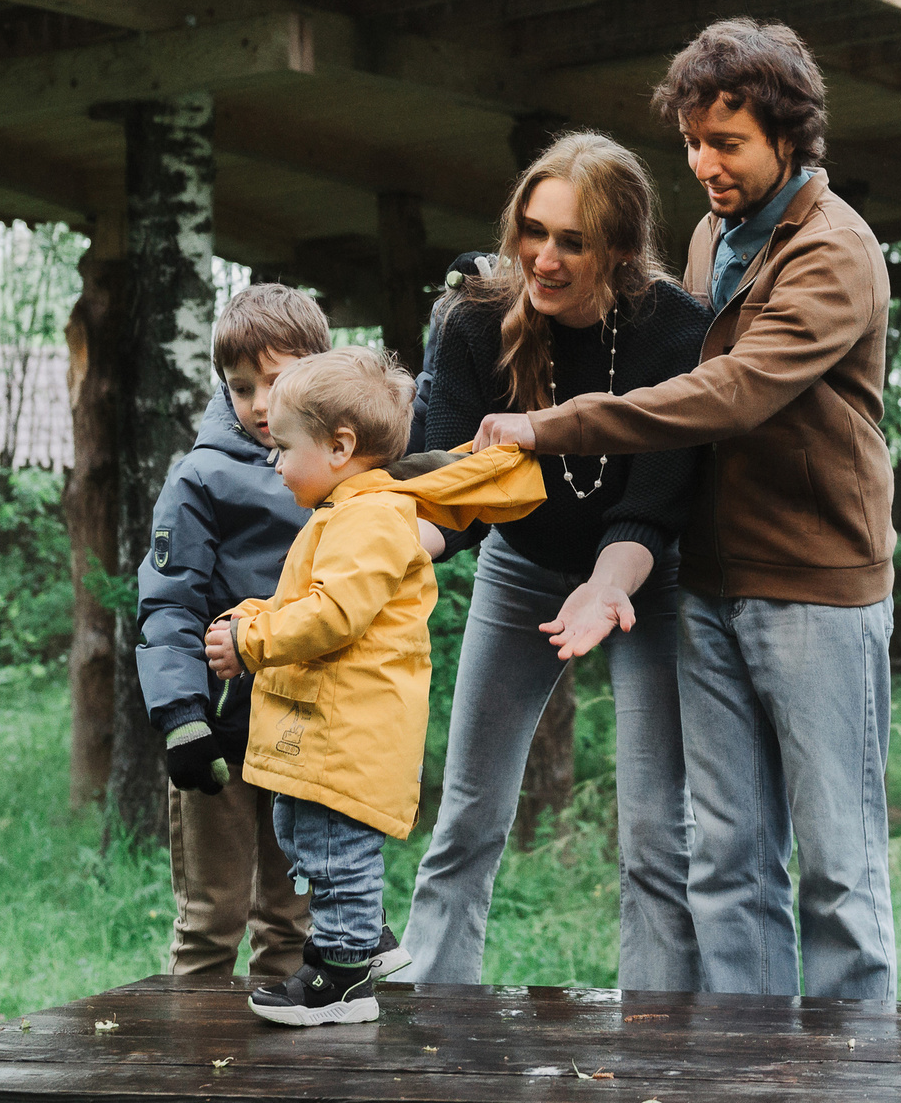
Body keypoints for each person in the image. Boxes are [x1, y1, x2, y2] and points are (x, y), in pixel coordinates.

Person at [474, 19, 898, 1002]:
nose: (704, 164)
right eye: (694, 141)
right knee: (728, 863)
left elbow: (733, 393)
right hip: (708, 584)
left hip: (814, 592)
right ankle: (745, 1076)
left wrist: (554, 426)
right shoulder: (714, 236)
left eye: (728, 143)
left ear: (789, 137)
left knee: (838, 870)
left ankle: (852, 1080)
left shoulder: (834, 252)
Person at [404, 132, 709, 990]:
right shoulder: (471, 320)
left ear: (620, 249)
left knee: (657, 830)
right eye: (533, 231)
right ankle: (433, 1020)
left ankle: (663, 1035)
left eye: (571, 241)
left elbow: (651, 513)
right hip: (524, 565)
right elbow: (451, 494)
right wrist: (390, 554)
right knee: (468, 813)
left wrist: (605, 591)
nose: (543, 257)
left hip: (647, 579)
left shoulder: (677, 333)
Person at [206, 347, 546, 1027]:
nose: (274, 461)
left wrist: (252, 641)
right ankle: (366, 936)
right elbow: (312, 597)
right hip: (328, 725)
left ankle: (343, 975)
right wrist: (255, 615)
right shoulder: (347, 511)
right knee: (302, 829)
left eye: (283, 446)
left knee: (334, 845)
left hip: (348, 729)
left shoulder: (369, 518)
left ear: (339, 447)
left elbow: (335, 616)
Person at [134, 284, 330, 980]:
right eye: (241, 387)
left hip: (308, 732)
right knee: (210, 921)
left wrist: (457, 316)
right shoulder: (200, 478)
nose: (257, 404)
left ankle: (279, 1075)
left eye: (275, 383)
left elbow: (422, 415)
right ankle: (199, 1070)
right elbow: (168, 603)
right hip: (218, 732)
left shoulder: (347, 471)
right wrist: (181, 716)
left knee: (292, 921)